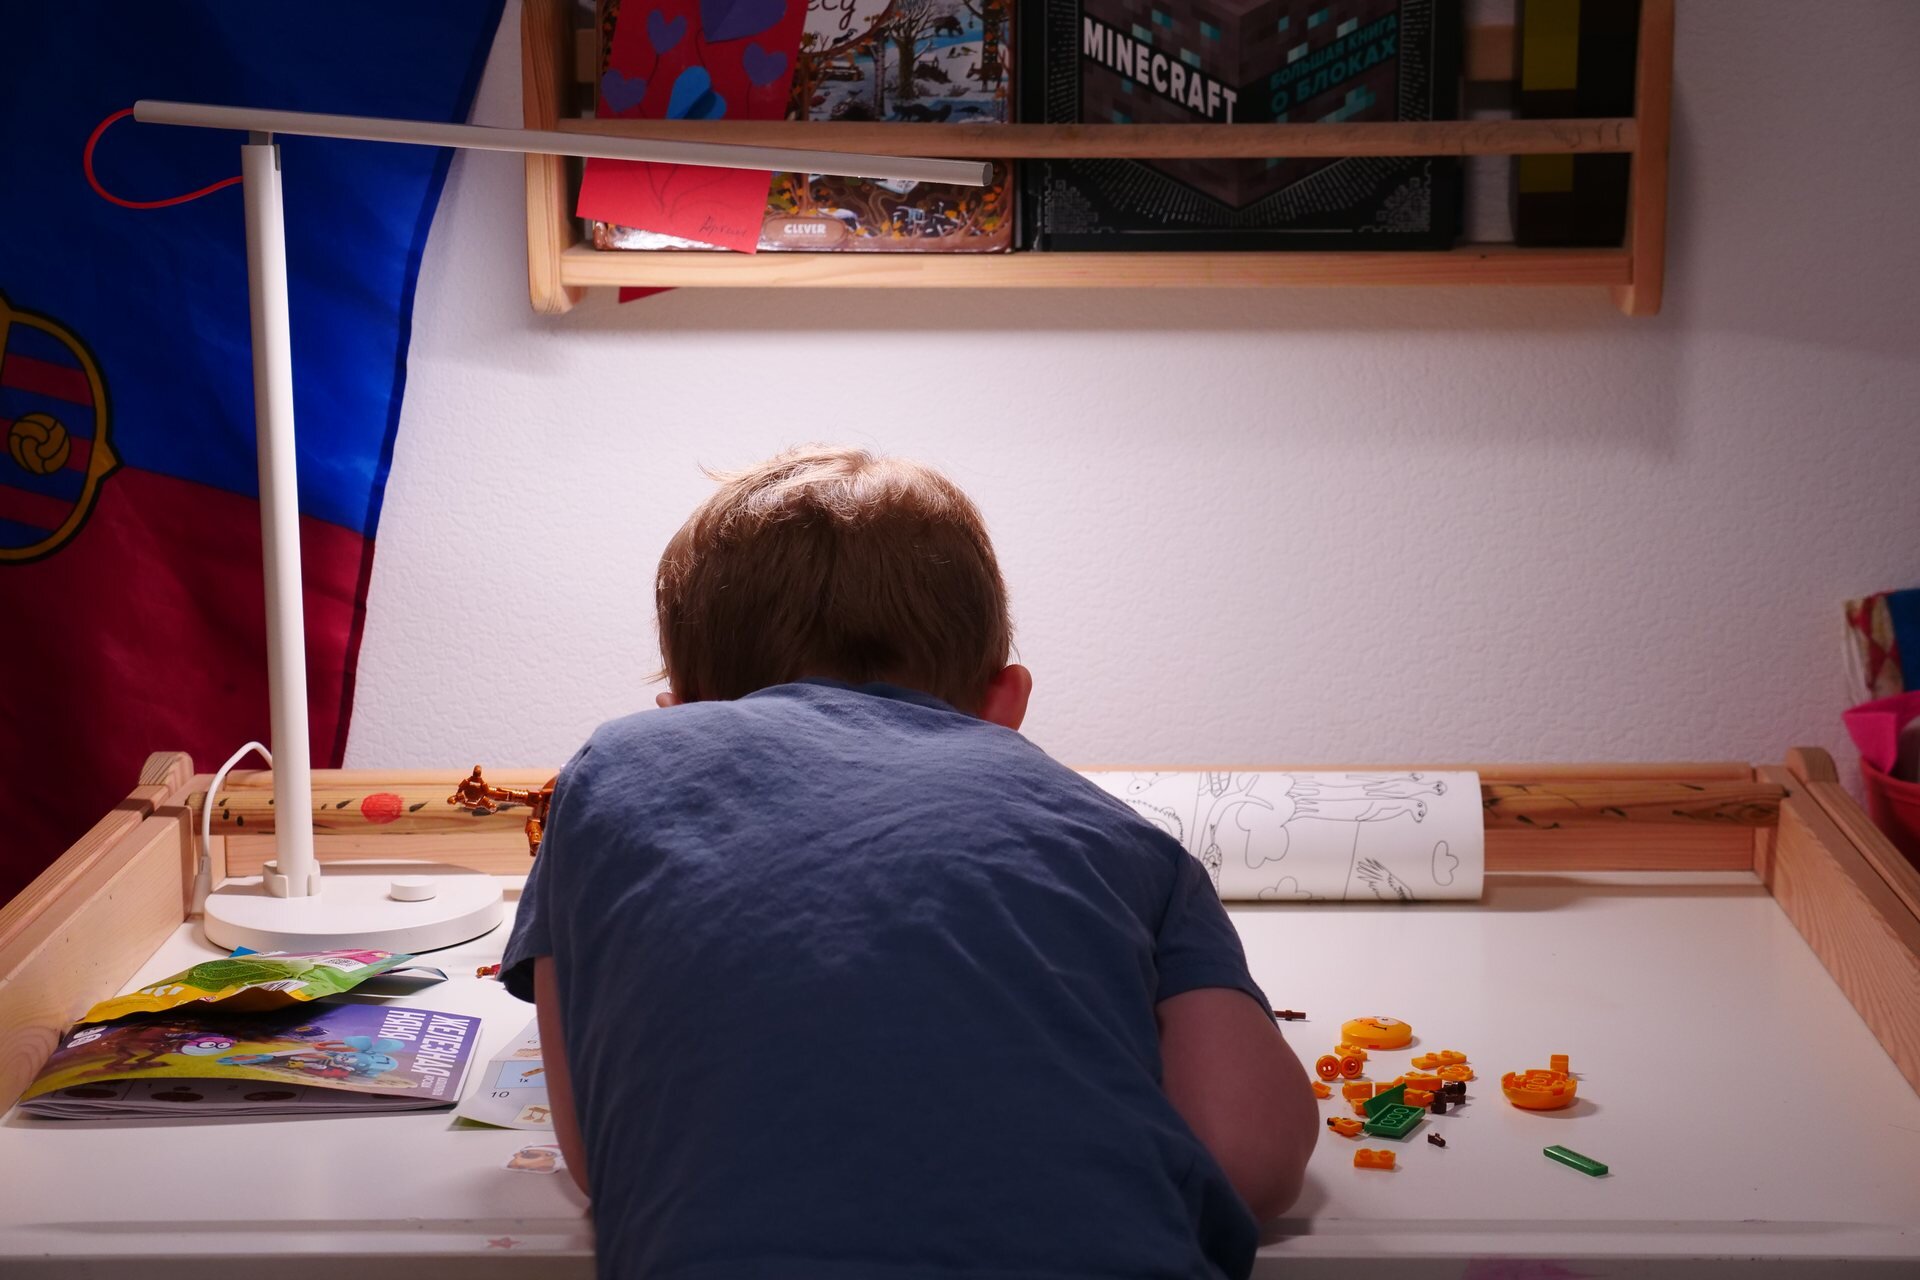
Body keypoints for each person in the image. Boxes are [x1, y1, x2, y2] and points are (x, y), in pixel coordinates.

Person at [502, 446, 1318, 1279]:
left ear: (681, 709)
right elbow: (1248, 1156)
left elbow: (600, 1153)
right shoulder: (1117, 835)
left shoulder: (615, 770)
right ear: (1006, 702)